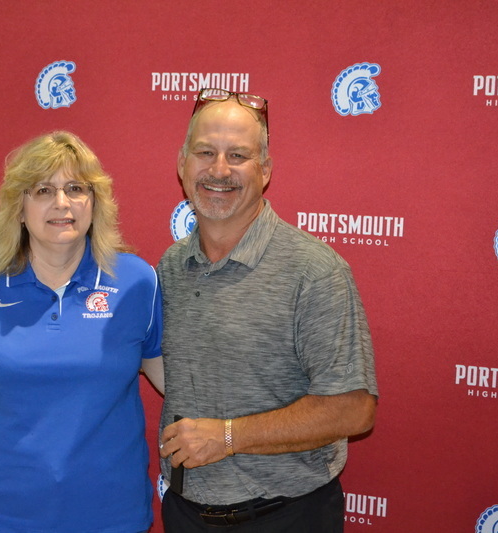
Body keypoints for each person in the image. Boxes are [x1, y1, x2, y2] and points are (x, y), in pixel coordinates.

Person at [0, 131, 164, 533]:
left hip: (111, 518)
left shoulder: (137, 282)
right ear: (19, 207)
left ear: (95, 203)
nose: (62, 203)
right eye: (43, 190)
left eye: (76, 188)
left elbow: (178, 385)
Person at [158, 88, 378, 532]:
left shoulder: (314, 271)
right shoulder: (171, 266)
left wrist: (229, 437)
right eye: (206, 152)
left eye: (238, 155)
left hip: (285, 516)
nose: (219, 170)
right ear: (182, 164)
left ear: (265, 170)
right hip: (186, 514)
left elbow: (354, 409)